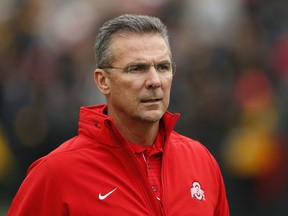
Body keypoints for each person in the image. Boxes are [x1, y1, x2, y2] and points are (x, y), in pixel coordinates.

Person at [8, 14, 229, 215]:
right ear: (103, 81)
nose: (154, 81)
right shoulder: (56, 172)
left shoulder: (201, 160)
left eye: (162, 67)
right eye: (137, 69)